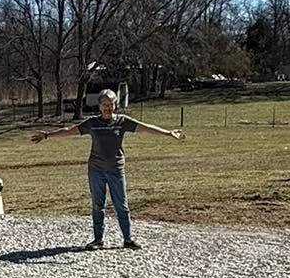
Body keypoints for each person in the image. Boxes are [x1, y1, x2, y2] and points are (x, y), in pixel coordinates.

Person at [31, 88, 183, 248]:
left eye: (111, 104)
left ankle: (128, 239)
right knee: (98, 205)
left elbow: (145, 128)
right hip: (96, 170)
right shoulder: (92, 123)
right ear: (99, 106)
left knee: (122, 206)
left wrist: (168, 133)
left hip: (116, 170)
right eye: (104, 104)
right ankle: (98, 240)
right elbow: (69, 131)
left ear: (115, 105)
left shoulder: (122, 122)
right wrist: (48, 135)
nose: (107, 108)